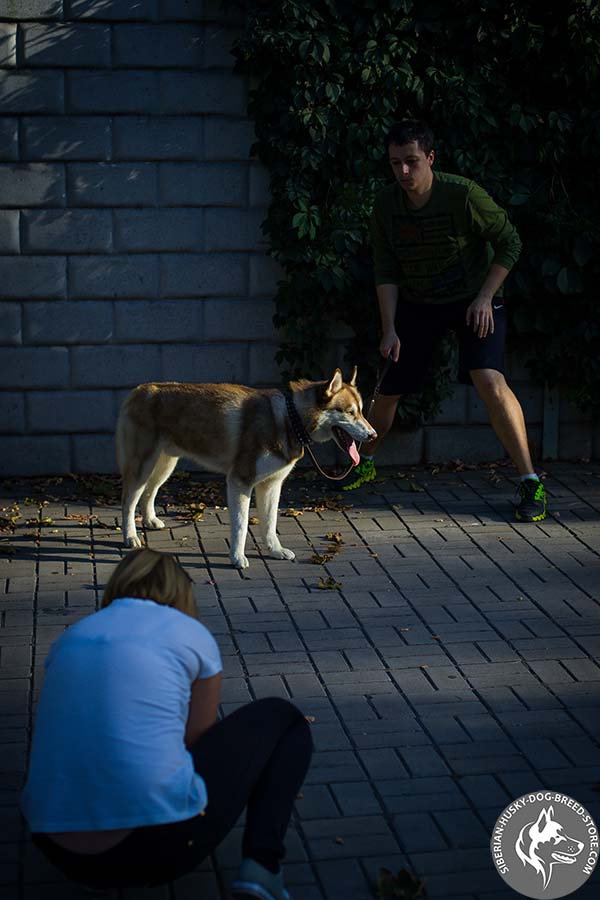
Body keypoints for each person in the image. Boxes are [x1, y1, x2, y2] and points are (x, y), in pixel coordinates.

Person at [21, 548, 312, 900]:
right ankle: (263, 867)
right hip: (155, 849)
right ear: (180, 591)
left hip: (55, 847)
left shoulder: (70, 638)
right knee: (282, 718)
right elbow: (196, 741)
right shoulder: (190, 632)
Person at [342, 119, 547, 523]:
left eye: (412, 162)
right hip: (419, 303)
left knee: (489, 380)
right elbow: (385, 269)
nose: (403, 172)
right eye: (395, 163)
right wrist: (390, 328)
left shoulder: (462, 194)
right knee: (387, 392)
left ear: (430, 158)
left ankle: (529, 481)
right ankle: (363, 461)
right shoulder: (386, 205)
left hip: (474, 299)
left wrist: (486, 296)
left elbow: (510, 241)